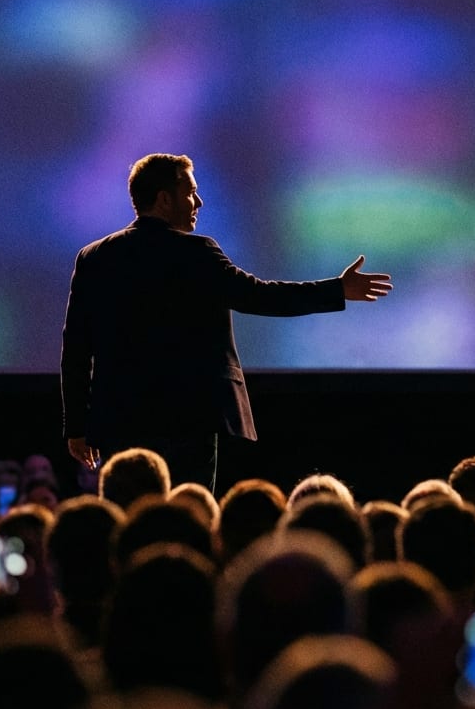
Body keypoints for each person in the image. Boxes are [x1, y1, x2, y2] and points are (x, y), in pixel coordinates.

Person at [61, 153, 392, 490]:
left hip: (120, 419)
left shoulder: (94, 258)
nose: (198, 201)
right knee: (191, 521)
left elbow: (76, 348)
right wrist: (337, 290)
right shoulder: (196, 253)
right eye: (190, 191)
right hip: (189, 419)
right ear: (164, 199)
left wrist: (76, 425)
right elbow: (260, 296)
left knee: (128, 522)